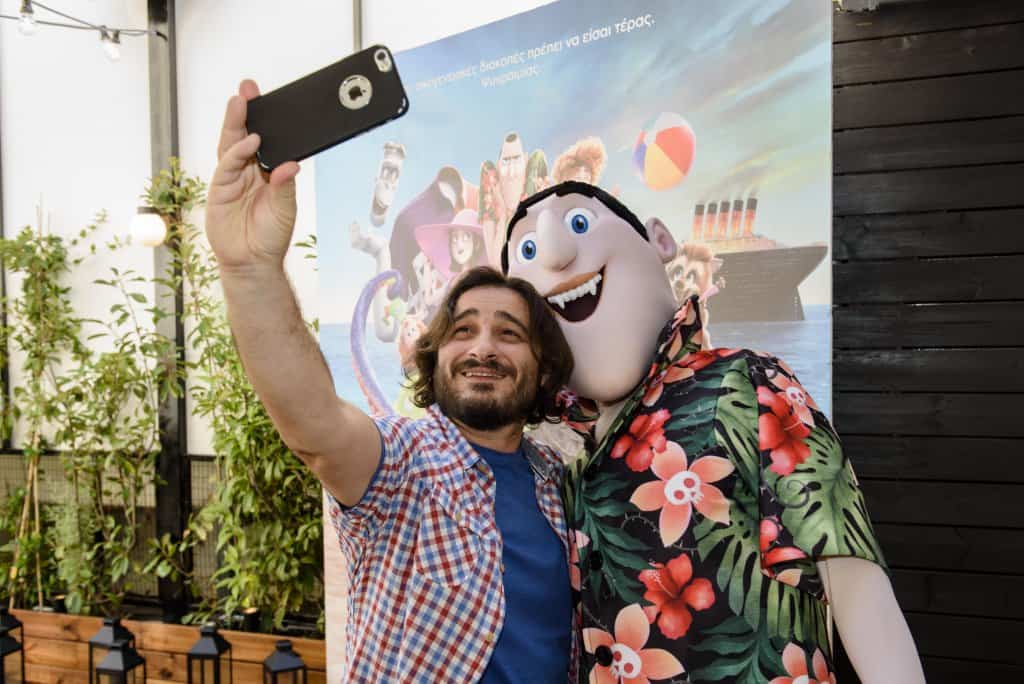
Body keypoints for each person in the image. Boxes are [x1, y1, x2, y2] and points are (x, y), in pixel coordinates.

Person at [206, 79, 579, 683]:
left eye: (509, 333)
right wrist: (249, 269)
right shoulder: (403, 463)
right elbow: (316, 427)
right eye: (462, 330)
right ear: (434, 356)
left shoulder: (558, 484)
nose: (483, 347)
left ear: (543, 366)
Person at [503, 181, 925, 683]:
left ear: (660, 240)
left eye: (579, 222)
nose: (555, 252)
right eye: (528, 251)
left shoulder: (744, 383)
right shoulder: (562, 463)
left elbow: (850, 574)